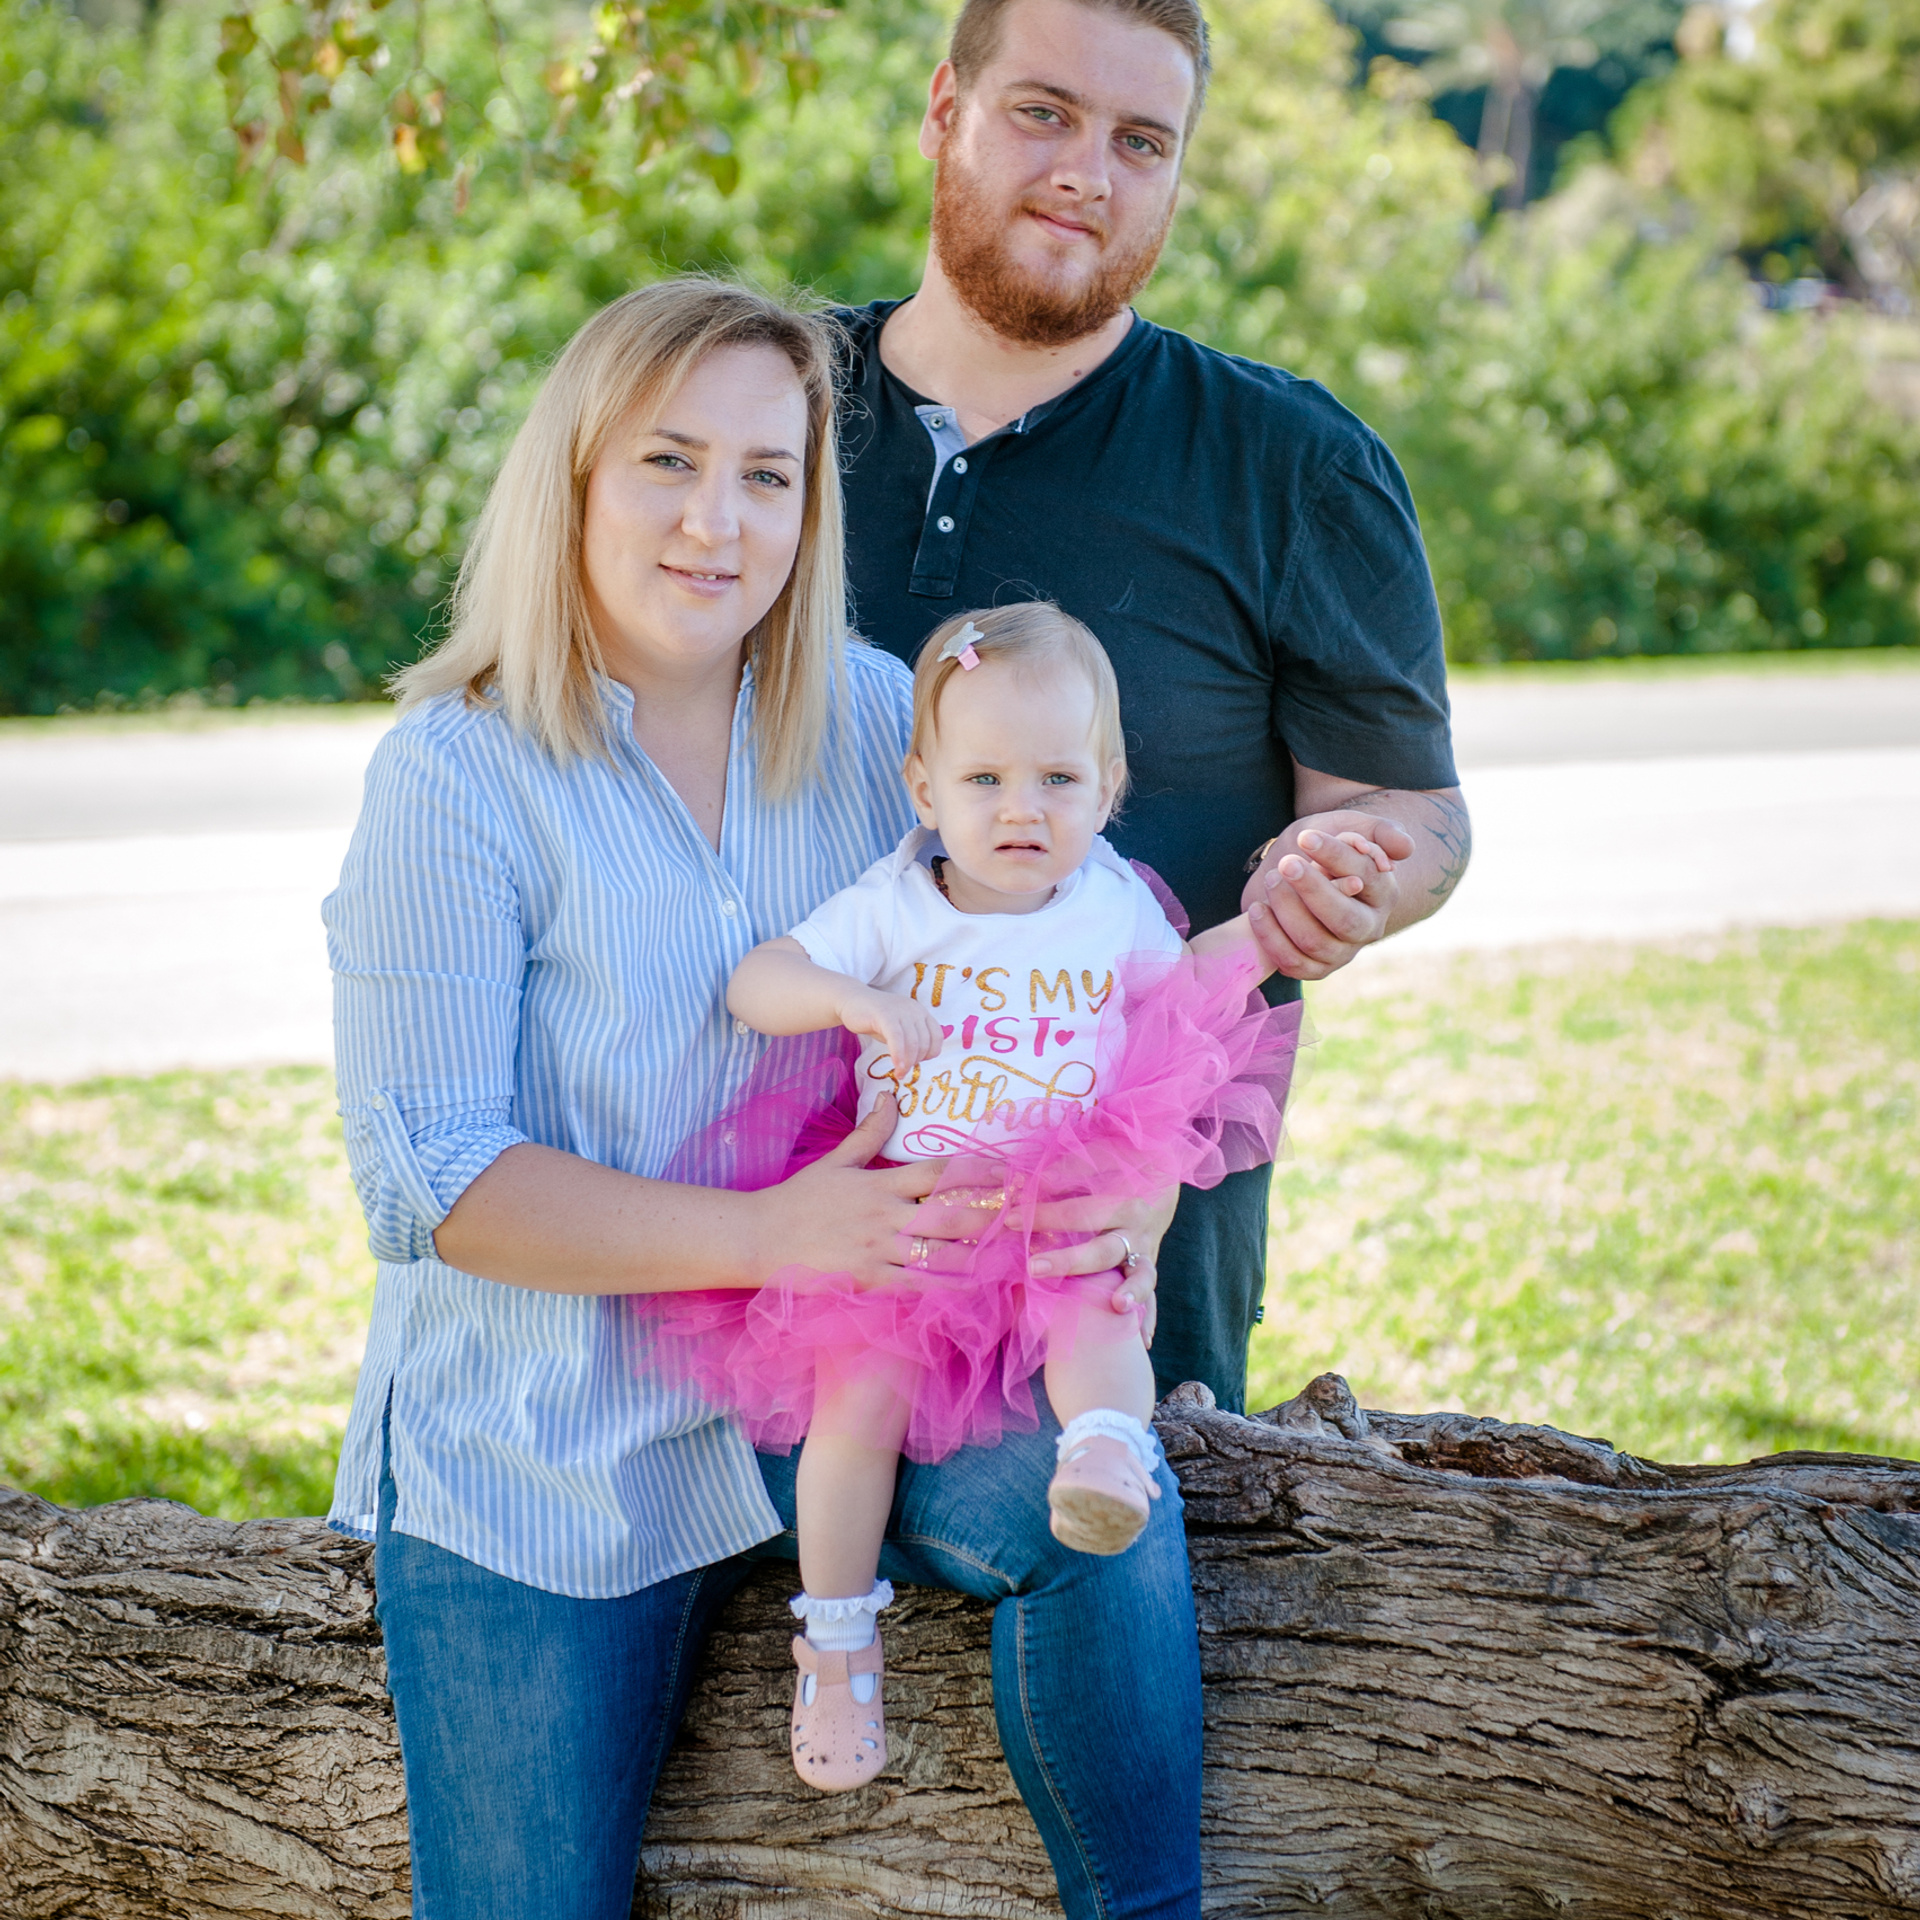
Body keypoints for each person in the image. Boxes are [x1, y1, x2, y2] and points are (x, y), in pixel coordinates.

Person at [322, 277, 1205, 1920]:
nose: (716, 522)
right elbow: (430, 1180)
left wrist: (1133, 1186)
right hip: (549, 1450)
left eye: (768, 475)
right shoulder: (454, 777)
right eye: (668, 461)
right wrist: (773, 1232)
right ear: (574, 478)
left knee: (1104, 1505)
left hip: (849, 1376)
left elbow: (1082, 956)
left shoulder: (883, 723)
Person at [833, 0, 1472, 1415]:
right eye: (1043, 113)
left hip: (1110, 1272)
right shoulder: (760, 412)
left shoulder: (1291, 465)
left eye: (1141, 140)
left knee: (1103, 1538)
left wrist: (1350, 872)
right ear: (944, 110)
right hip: (759, 1245)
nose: (1087, 173)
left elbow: (1415, 810)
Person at [641, 602, 1319, 1791]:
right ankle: (836, 1640)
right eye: (986, 779)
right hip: (915, 1225)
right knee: (857, 1408)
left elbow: (1184, 991)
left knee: (1101, 1307)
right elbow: (758, 981)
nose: (1022, 810)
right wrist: (850, 999)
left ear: (1107, 788)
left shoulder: (1112, 902)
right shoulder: (896, 906)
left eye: (1059, 779)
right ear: (925, 786)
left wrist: (1266, 933)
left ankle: (1105, 1453)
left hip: (1056, 1202)